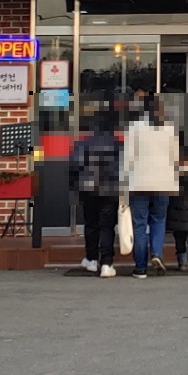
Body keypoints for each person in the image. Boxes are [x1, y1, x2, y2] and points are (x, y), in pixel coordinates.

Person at [121, 96, 179, 279]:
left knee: (139, 225)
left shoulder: (135, 127)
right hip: (163, 183)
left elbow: (127, 159)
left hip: (139, 183)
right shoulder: (169, 129)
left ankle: (140, 268)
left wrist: (123, 184)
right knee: (159, 220)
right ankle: (156, 254)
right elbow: (175, 157)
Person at [68, 111, 122, 278]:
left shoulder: (83, 144)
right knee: (107, 226)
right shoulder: (118, 145)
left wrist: (75, 186)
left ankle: (91, 259)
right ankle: (106, 263)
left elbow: (74, 166)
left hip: (88, 190)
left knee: (91, 224)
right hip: (110, 190)